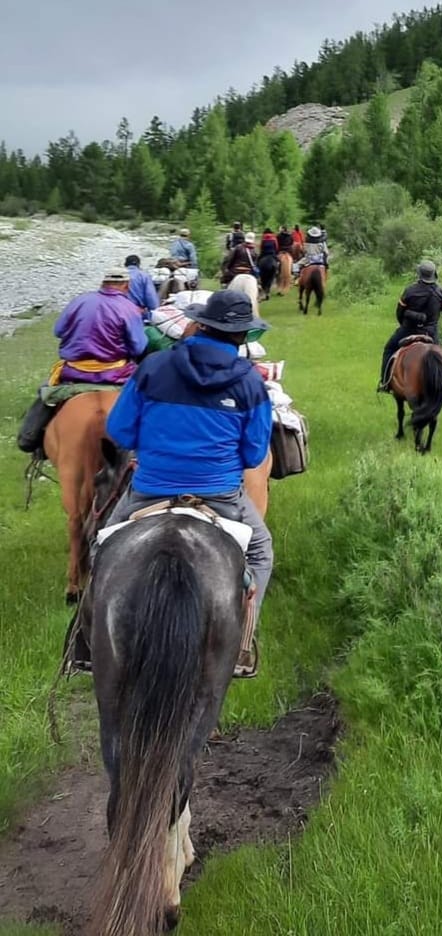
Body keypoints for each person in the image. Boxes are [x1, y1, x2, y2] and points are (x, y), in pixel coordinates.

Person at [100, 289, 275, 677]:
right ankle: (242, 645)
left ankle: (85, 642)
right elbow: (252, 455)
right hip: (221, 496)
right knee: (261, 552)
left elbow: (120, 431)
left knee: (103, 546)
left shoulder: (153, 367)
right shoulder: (250, 382)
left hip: (149, 489)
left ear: (201, 326)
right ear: (242, 337)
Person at [16, 268, 147, 453]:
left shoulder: (80, 300)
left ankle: (29, 438)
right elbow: (138, 347)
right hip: (116, 374)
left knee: (46, 392)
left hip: (75, 371)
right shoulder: (129, 308)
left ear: (103, 282)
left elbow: (58, 331)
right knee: (146, 398)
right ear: (126, 285)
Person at [378, 260, 442, 390]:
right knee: (440, 357)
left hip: (408, 330)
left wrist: (404, 325)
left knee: (389, 349)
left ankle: (385, 382)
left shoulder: (409, 291)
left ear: (419, 274)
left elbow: (399, 313)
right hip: (430, 333)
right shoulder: (441, 292)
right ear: (434, 274)